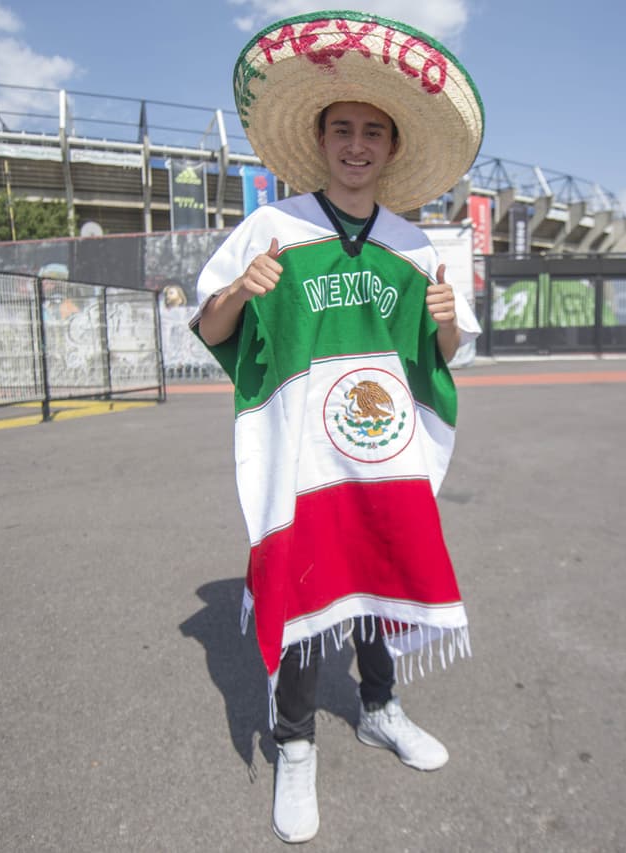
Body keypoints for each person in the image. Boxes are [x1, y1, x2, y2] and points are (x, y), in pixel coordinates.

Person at [189, 12, 485, 844]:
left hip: (380, 454)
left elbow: (447, 354)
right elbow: (212, 331)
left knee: (378, 577)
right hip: (303, 456)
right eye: (343, 129)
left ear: (392, 148)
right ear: (321, 141)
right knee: (312, 583)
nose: (357, 144)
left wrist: (445, 321)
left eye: (373, 132)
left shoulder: (415, 245)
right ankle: (295, 745)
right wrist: (242, 290)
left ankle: (383, 707)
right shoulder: (273, 229)